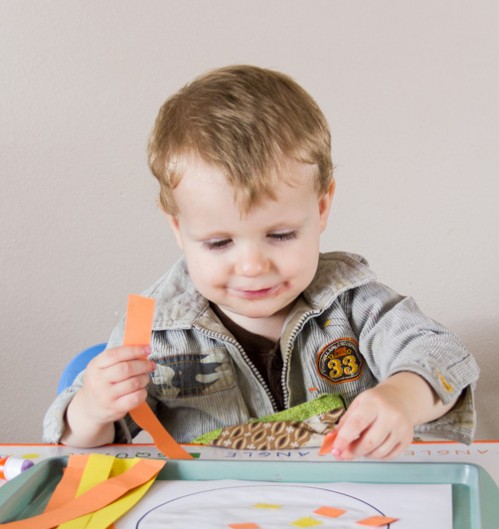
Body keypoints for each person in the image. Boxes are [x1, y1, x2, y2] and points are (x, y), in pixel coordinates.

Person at [43, 65, 479, 460]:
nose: (252, 266)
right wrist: (92, 411)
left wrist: (404, 396)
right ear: (178, 228)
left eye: (280, 235)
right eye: (218, 243)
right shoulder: (155, 333)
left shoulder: (359, 306)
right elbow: (83, 448)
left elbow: (441, 355)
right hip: (214, 522)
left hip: (348, 508)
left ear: (322, 207)